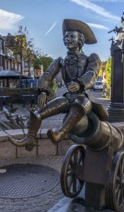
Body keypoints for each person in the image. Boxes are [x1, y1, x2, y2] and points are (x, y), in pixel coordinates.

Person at [10, 19, 100, 150]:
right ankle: (30, 139)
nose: (67, 39)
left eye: (71, 36)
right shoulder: (60, 61)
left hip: (82, 98)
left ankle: (60, 133)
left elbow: (92, 73)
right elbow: (47, 74)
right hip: (67, 98)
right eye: (65, 37)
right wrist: (43, 91)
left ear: (80, 39)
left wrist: (81, 83)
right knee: (37, 113)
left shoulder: (91, 58)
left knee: (79, 105)